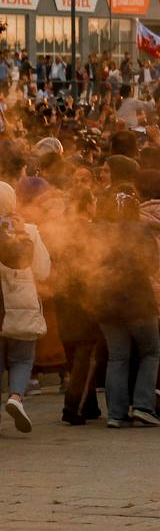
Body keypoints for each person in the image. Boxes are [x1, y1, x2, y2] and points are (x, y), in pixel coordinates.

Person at [92, 185, 160, 429]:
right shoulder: (141, 230)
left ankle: (116, 413)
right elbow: (153, 265)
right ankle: (143, 406)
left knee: (117, 357)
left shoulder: (98, 232)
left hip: (105, 300)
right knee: (151, 352)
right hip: (138, 300)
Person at [0, 183, 50, 433]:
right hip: (23, 304)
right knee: (22, 357)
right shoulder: (28, 230)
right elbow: (42, 270)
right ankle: (16, 398)